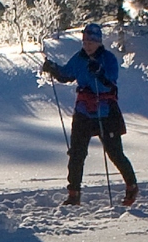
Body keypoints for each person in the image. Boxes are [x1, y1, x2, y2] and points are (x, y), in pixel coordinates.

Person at [41, 22, 138, 206]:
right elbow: (66, 74)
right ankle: (73, 193)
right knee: (77, 153)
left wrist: (100, 73)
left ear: (99, 42)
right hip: (84, 111)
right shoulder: (79, 58)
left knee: (115, 153)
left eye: (91, 41)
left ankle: (131, 186)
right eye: (85, 41)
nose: (87, 45)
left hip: (106, 111)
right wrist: (53, 68)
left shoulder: (108, 58)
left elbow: (110, 82)